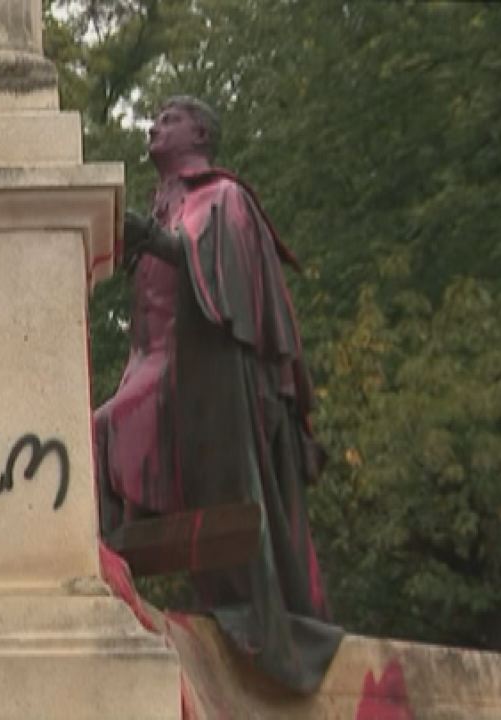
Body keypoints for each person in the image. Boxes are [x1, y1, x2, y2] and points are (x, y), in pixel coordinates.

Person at [94, 95, 342, 693]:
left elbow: (220, 279)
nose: (155, 127)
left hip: (197, 380)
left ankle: (113, 589)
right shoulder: (169, 202)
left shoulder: (225, 199)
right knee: (95, 436)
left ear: (200, 132)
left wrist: (152, 238)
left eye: (170, 119)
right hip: (152, 369)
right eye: (153, 120)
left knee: (97, 433)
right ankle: (105, 586)